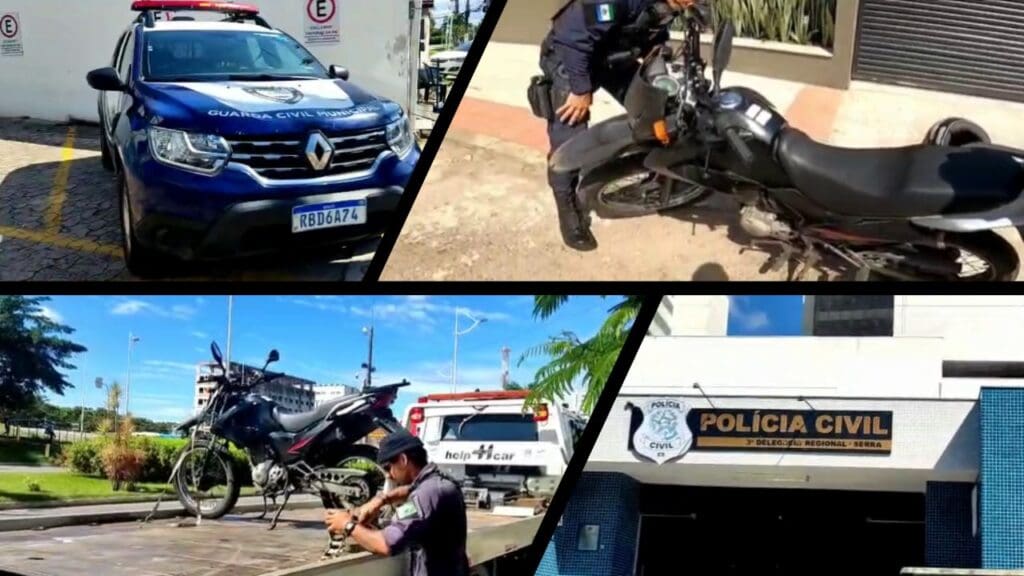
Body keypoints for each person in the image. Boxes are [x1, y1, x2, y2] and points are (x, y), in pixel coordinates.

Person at [540, 0, 699, 251]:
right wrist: (581, 90)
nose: (693, 2)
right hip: (572, 59)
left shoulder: (673, 5)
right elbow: (571, 36)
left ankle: (658, 172)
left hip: (611, 58)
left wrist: (659, 61)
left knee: (659, 108)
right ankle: (568, 207)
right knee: (569, 139)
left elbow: (652, 36)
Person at [324, 429, 469, 576]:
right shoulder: (437, 483)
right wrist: (381, 500)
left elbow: (387, 544)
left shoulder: (427, 493)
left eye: (388, 467)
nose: (389, 475)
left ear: (403, 460)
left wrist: (347, 525)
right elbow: (410, 489)